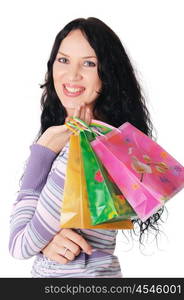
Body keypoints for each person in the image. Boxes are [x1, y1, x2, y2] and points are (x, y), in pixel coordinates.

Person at [9, 17, 165, 278]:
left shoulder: (80, 152)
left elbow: (19, 244)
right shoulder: (116, 144)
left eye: (89, 63)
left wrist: (42, 151)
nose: (72, 75)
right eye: (63, 60)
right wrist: (45, 242)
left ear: (107, 75)